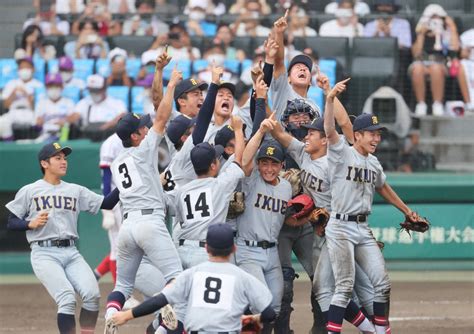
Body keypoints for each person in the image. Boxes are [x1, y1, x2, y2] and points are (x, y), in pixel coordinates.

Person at [323, 79, 420, 333]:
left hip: (362, 228)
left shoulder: (374, 163)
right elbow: (330, 129)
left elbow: (383, 187)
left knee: (382, 284)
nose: (377, 137)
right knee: (344, 287)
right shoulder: (342, 153)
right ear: (358, 135)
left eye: (378, 134)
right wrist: (330, 98)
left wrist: (406, 210)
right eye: (372, 133)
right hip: (340, 226)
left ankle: (379, 331)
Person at [5, 142, 120, 334]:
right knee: (67, 298)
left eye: (64, 158)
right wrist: (29, 223)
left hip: (71, 252)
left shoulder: (75, 190)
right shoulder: (30, 190)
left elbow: (107, 202)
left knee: (92, 295)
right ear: (44, 163)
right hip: (44, 252)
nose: (63, 161)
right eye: (57, 158)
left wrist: (126, 182)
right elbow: (11, 221)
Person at [103, 64, 184, 333]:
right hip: (150, 222)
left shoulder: (117, 162)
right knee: (178, 281)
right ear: (135, 136)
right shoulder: (142, 150)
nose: (147, 130)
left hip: (127, 227)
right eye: (142, 129)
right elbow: (161, 118)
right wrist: (171, 84)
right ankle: (162, 328)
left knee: (122, 287)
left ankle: (111, 315)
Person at [110, 223, 277, 333]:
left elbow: (159, 300)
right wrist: (255, 318)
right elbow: (270, 313)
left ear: (207, 248)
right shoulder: (242, 277)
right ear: (233, 248)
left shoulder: (191, 274)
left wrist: (127, 315)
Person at [236, 115, 293, 333]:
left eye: (274, 163)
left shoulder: (286, 187)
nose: (269, 168)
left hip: (272, 253)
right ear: (258, 164)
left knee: (275, 307)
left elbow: (284, 218)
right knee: (262, 303)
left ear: (282, 165)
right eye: (264, 162)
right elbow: (244, 160)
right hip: (247, 251)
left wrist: (309, 218)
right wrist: (260, 131)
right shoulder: (251, 180)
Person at [174, 116, 244, 269]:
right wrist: (238, 130)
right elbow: (239, 158)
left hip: (182, 249)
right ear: (213, 165)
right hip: (205, 253)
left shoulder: (182, 191)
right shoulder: (220, 184)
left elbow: (180, 221)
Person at [411, 4, 460, 116]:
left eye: (437, 18)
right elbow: (415, 53)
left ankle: (437, 104)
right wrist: (421, 34)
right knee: (417, 69)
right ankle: (421, 104)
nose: (434, 21)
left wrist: (451, 27)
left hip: (441, 63)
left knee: (435, 68)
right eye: (432, 18)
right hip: (421, 62)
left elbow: (456, 48)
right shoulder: (420, 31)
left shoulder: (447, 31)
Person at [34, 73, 75, 141]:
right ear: (46, 87)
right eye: (50, 86)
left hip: (63, 136)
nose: (53, 89)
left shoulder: (68, 102)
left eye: (56, 86)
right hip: (45, 135)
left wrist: (65, 120)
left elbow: (73, 118)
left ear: (62, 87)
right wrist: (40, 122)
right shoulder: (41, 103)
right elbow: (37, 122)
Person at [457, 28, 474, 113]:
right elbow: (462, 55)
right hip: (470, 62)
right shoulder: (468, 34)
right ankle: (469, 104)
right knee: (462, 64)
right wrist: (467, 51)